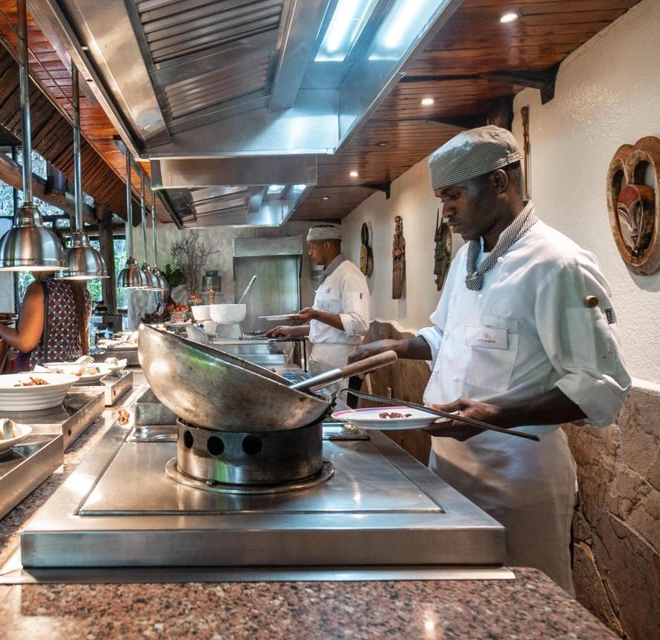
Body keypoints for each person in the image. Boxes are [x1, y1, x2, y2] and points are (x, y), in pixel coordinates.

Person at [348, 124, 630, 594]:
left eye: (453, 195)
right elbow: (448, 336)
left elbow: (602, 383)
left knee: (528, 605)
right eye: (441, 198)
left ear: (499, 182)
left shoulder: (557, 263)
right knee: (459, 600)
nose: (446, 211)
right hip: (447, 467)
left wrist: (494, 414)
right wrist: (398, 347)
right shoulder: (467, 259)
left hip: (516, 480)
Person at [266, 224, 371, 392]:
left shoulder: (349, 275)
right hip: (321, 362)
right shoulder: (329, 276)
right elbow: (327, 327)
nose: (309, 253)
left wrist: (315, 314)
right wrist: (293, 330)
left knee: (339, 407)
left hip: (340, 363)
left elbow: (359, 324)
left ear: (327, 246)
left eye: (312, 247)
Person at [0, 273, 91, 370]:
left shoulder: (39, 289)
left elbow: (25, 343)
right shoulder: (82, 292)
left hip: (40, 372)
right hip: (73, 369)